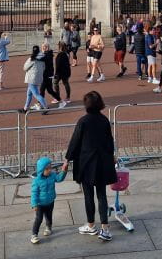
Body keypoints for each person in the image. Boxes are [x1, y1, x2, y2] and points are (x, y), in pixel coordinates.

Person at [62, 90, 117, 242]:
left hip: (86, 163)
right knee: (102, 195)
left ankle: (91, 225)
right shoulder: (104, 120)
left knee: (88, 196)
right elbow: (109, 141)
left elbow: (75, 142)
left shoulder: (83, 121)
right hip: (102, 162)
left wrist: (67, 159)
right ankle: (105, 228)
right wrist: (112, 156)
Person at [29, 156, 67, 244]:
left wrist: (64, 171)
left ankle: (48, 228)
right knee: (39, 219)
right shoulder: (37, 180)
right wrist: (34, 204)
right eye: (47, 169)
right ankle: (34, 234)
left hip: (50, 202)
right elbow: (34, 193)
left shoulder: (52, 175)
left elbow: (59, 179)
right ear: (41, 170)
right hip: (40, 204)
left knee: (49, 217)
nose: (50, 170)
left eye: (50, 168)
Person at [22, 46, 48, 112]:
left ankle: (46, 107)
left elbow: (25, 68)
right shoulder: (42, 58)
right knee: (29, 94)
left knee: (36, 94)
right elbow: (44, 68)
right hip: (38, 78)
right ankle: (25, 108)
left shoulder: (31, 58)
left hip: (31, 78)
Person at [54, 41, 71, 107]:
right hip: (66, 71)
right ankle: (68, 97)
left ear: (60, 47)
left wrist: (56, 73)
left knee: (55, 83)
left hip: (60, 72)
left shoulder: (60, 54)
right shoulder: (67, 53)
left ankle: (57, 97)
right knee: (66, 83)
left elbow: (58, 64)